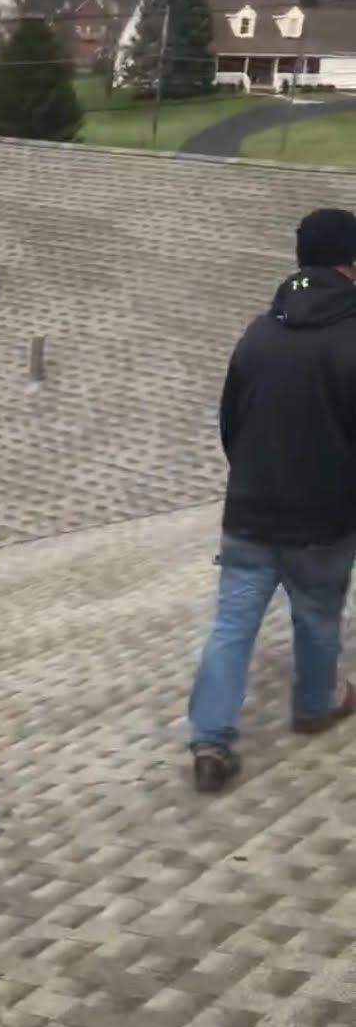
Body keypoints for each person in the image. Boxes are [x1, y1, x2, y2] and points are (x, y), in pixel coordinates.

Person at [189, 208, 356, 793]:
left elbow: (230, 423)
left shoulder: (259, 332)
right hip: (324, 520)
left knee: (231, 625)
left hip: (251, 513)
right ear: (351, 264)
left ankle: (210, 739)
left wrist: (256, 479)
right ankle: (314, 704)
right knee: (317, 617)